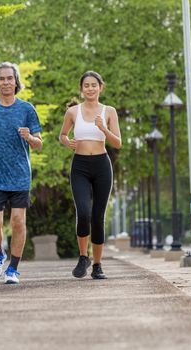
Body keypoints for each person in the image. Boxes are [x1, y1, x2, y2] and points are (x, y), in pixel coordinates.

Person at [0, 62, 43, 284]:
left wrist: (30, 138)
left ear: (16, 82)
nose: (5, 82)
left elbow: (39, 143)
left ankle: (13, 269)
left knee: (18, 222)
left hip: (20, 175)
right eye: (1, 79)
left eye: (9, 78)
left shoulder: (27, 109)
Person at [59, 71, 121, 279]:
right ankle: (83, 256)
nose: (90, 88)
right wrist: (67, 142)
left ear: (101, 87)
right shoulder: (73, 112)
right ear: (81, 88)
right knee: (83, 212)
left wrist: (103, 128)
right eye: (86, 85)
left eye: (94, 85)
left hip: (102, 165)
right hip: (80, 166)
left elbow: (118, 143)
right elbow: (62, 135)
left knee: (98, 216)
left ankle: (97, 265)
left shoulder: (109, 111)